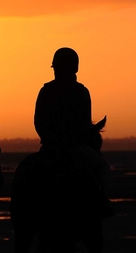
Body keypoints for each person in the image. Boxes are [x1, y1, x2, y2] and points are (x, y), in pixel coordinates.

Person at [34, 47, 111, 215]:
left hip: (49, 149)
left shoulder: (46, 90)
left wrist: (51, 140)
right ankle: (102, 202)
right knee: (102, 168)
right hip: (75, 149)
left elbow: (38, 123)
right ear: (75, 68)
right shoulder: (81, 92)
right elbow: (84, 125)